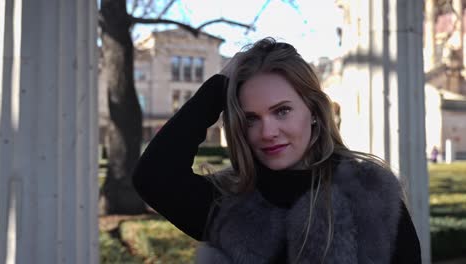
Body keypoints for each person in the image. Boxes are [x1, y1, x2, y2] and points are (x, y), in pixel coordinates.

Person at [132, 38, 421, 263]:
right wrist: (219, 87)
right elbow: (153, 176)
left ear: (313, 112)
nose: (268, 132)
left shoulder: (370, 193)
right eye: (251, 118)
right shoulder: (229, 203)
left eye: (281, 111)